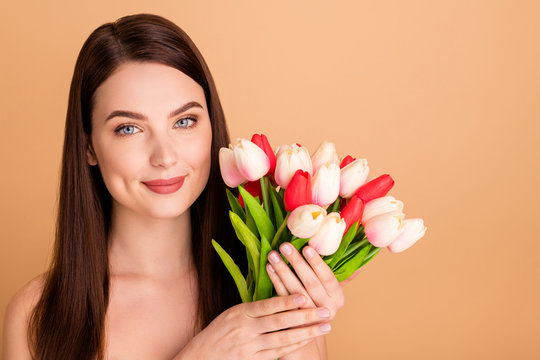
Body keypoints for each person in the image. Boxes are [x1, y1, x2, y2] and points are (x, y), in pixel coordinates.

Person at [2, 13, 355, 359]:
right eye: (129, 128)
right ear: (89, 147)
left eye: (185, 121)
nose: (165, 157)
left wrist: (303, 319)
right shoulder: (36, 315)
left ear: (211, 125)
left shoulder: (267, 287)